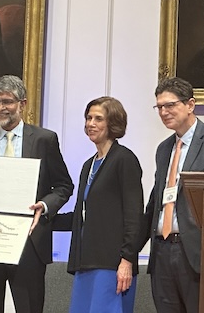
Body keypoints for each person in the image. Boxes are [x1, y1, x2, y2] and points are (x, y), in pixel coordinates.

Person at [0, 74, 74, 313]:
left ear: (22, 104)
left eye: (7, 101)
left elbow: (64, 186)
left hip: (30, 243)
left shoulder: (45, 140)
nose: (0, 108)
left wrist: (44, 205)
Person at [142, 77, 204, 312]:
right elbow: (155, 203)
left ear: (190, 104)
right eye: (159, 107)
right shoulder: (164, 148)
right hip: (162, 252)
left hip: (197, 254)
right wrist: (129, 252)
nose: (164, 112)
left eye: (170, 105)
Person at [56, 97, 144, 312]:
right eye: (88, 118)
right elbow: (82, 215)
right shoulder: (88, 165)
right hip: (85, 262)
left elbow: (134, 215)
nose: (90, 124)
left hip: (111, 265)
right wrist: (43, 215)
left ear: (112, 123)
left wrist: (127, 260)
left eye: (98, 118)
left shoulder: (124, 159)